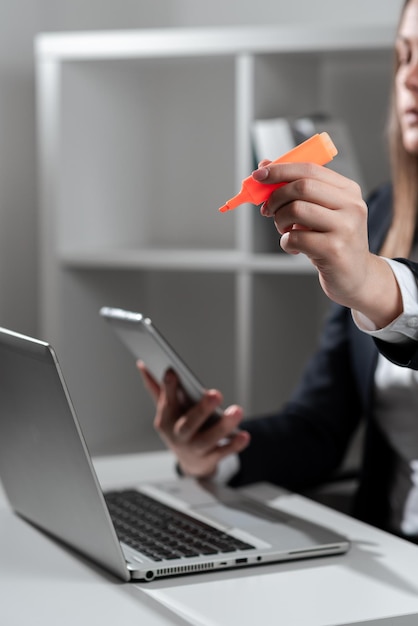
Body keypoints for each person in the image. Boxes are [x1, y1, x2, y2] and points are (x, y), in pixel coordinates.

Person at [138, 0, 418, 542]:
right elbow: (318, 428)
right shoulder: (381, 217)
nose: (410, 76)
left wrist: (378, 285)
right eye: (404, 55)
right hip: (393, 555)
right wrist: (212, 453)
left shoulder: (366, 247)